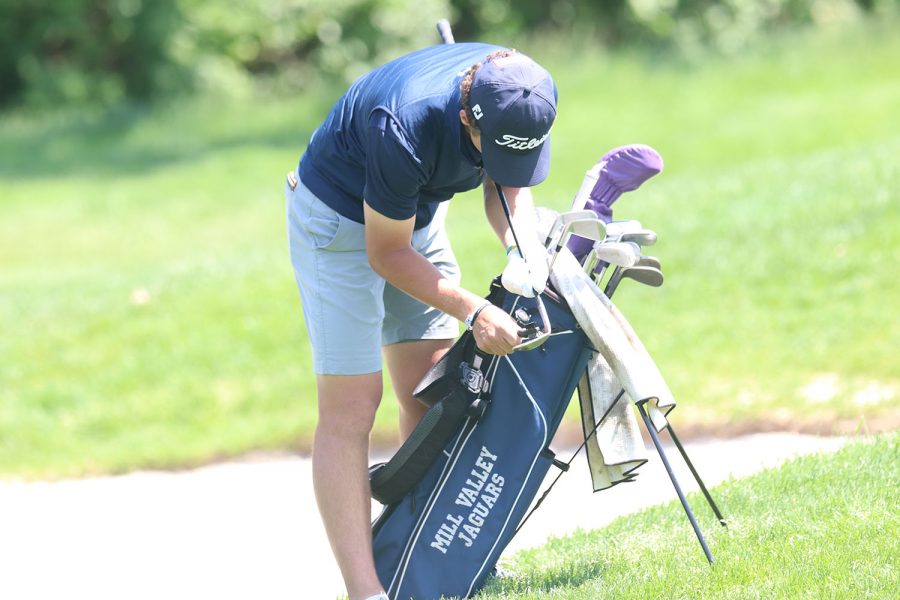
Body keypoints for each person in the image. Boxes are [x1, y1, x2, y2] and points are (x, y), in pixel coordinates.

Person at [285, 41, 557, 600]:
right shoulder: (402, 123)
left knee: (431, 390)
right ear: (465, 118)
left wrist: (520, 251)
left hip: (414, 214)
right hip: (336, 224)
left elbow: (506, 186)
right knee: (352, 407)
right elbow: (385, 253)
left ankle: (433, 559)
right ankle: (366, 590)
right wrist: (474, 308)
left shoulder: (520, 93)